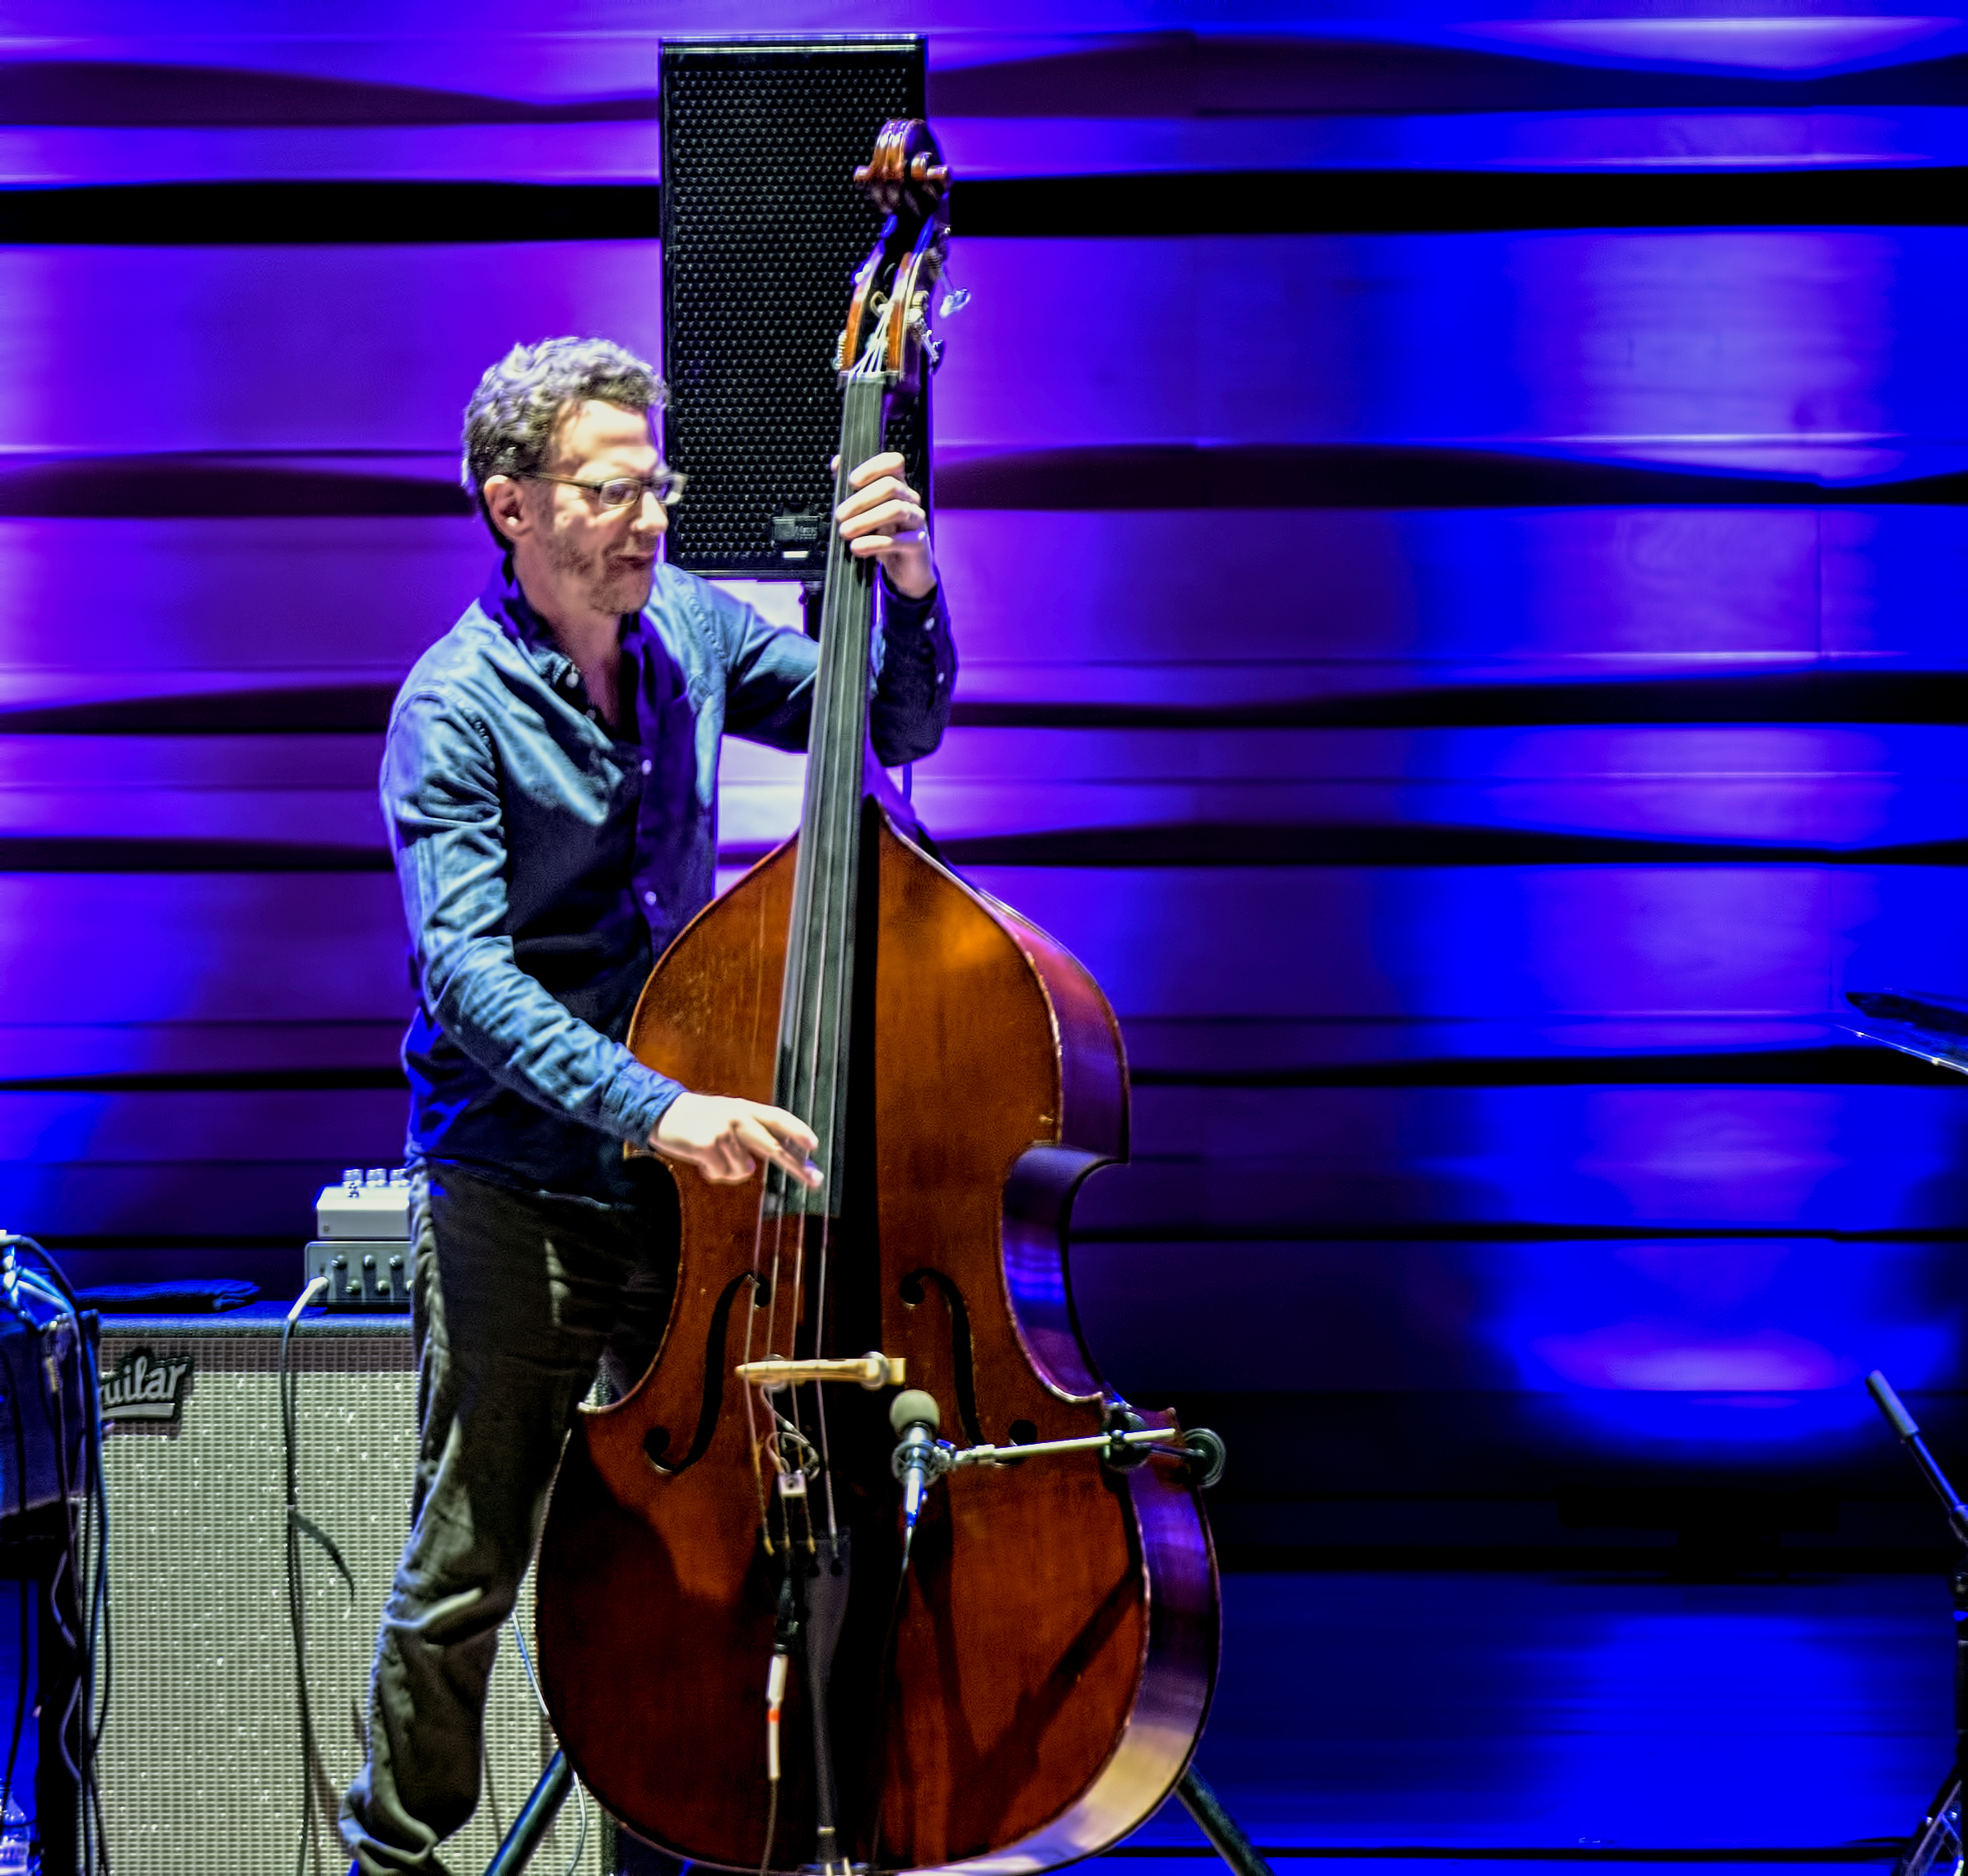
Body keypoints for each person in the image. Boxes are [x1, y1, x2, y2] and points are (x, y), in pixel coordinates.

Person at [340, 335, 955, 1875]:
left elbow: (881, 729)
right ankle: (390, 1859)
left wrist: (912, 592)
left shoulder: (684, 629)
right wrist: (655, 1105)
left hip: (679, 1193)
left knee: (688, 1553)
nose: (650, 518)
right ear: (512, 507)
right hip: (521, 1186)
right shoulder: (454, 712)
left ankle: (669, 1844)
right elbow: (468, 982)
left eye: (655, 485)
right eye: (610, 491)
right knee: (472, 1559)